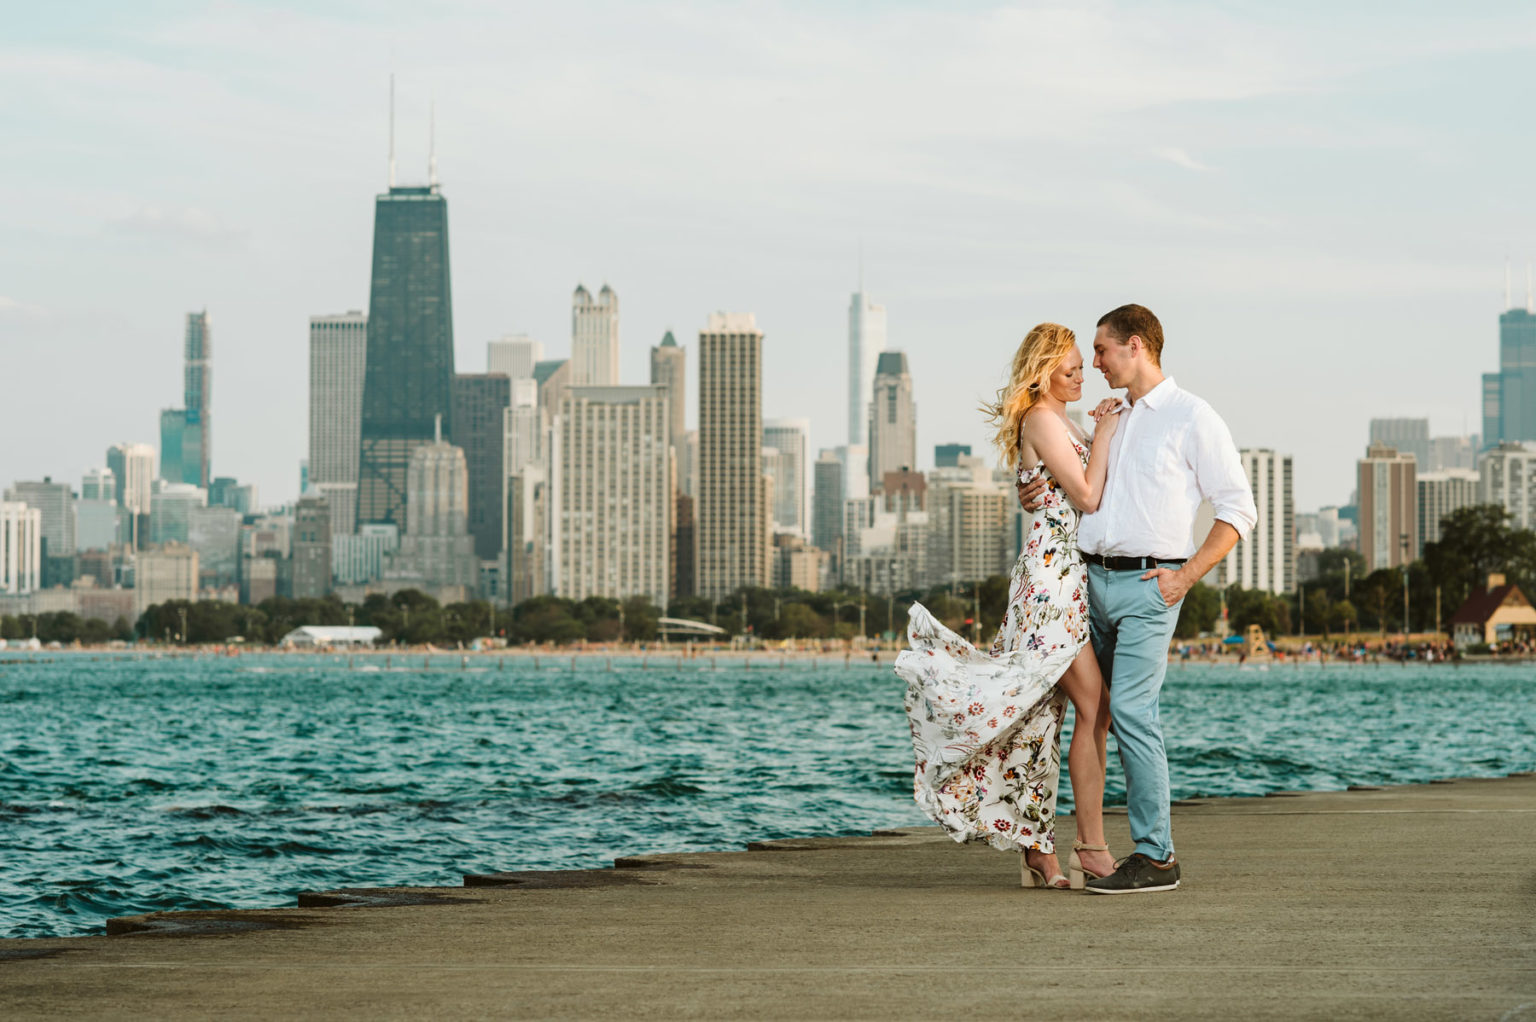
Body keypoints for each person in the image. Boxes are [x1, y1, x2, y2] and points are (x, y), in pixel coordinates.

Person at [1019, 304, 1255, 894]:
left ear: (1136, 346)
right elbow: (1065, 482)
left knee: (1131, 712)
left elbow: (1238, 510)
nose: (1093, 363)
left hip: (1151, 585)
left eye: (1101, 351)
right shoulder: (1110, 415)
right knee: (1086, 716)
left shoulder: (1192, 416)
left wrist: (1187, 575)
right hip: (1083, 583)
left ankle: (1156, 857)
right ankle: (1090, 849)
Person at [896, 322, 1120, 890]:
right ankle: (1085, 848)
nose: (1081, 374)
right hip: (1050, 582)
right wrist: (1109, 434)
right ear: (1043, 372)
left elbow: (1073, 490)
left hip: (1064, 578)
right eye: (1070, 369)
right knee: (1093, 707)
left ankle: (1039, 850)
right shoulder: (1044, 419)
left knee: (1043, 716)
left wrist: (1095, 434)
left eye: (1081, 366)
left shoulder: (1059, 420)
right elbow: (1088, 496)